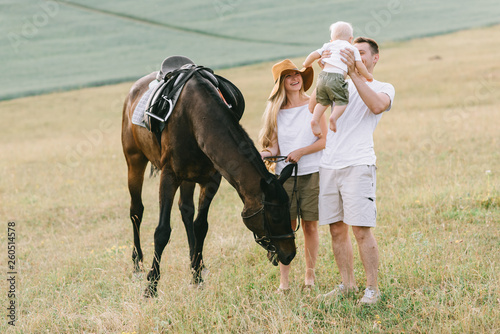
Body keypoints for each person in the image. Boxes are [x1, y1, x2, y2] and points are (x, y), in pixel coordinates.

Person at [317, 37, 395, 304]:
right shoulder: (339, 82)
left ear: (374, 58)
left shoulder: (384, 87)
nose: (356, 56)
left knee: (361, 229)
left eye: (361, 53)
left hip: (358, 164)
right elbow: (313, 109)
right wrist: (326, 70)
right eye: (352, 52)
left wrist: (353, 71)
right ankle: (347, 285)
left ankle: (372, 289)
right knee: (336, 229)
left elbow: (376, 105)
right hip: (329, 164)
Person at [259, 59, 328, 292]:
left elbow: (324, 141)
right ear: (281, 83)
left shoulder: (314, 105)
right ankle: (284, 281)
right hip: (284, 177)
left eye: (297, 74)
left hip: (312, 173)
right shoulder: (276, 111)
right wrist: (260, 154)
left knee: (310, 226)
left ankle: (309, 275)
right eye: (288, 76)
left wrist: (301, 151)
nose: (295, 78)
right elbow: (275, 149)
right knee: (285, 228)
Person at [303, 21, 373, 137]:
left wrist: (306, 63)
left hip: (322, 77)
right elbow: (359, 65)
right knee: (342, 102)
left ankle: (315, 120)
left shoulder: (328, 45)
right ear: (351, 39)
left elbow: (314, 55)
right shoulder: (351, 48)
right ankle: (333, 118)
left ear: (332, 39)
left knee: (323, 101)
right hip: (337, 77)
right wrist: (368, 75)